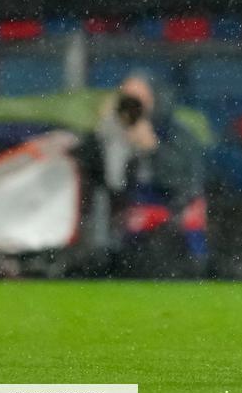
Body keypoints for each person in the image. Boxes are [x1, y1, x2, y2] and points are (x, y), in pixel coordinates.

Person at [89, 73, 208, 277]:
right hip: (127, 221)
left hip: (170, 221)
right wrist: (107, 137)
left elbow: (185, 182)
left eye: (139, 99)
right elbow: (107, 183)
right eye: (126, 99)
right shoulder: (113, 132)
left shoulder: (177, 134)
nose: (132, 106)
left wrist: (153, 149)